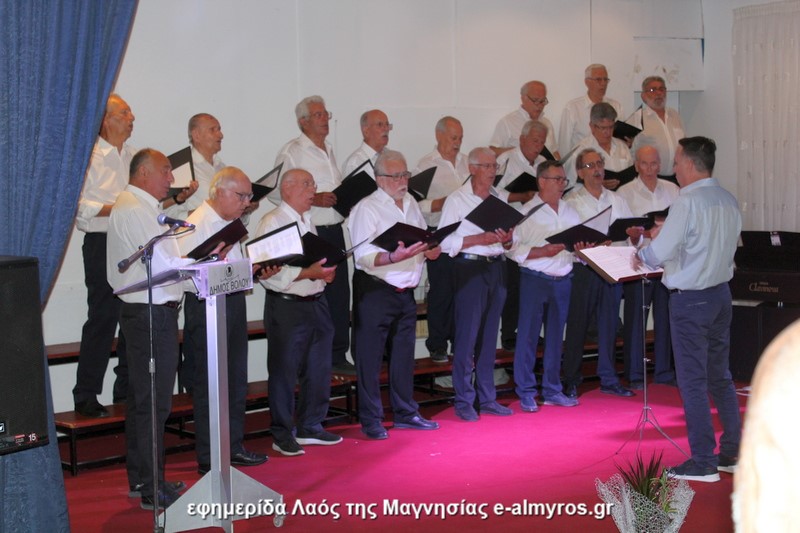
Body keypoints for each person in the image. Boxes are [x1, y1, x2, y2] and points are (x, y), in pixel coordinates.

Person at [635, 136, 742, 482]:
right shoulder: (727, 199)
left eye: (678, 161)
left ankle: (703, 461)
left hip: (691, 299)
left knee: (693, 380)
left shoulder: (687, 201)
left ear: (692, 164)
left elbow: (657, 254)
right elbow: (716, 244)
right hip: (720, 295)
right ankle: (731, 453)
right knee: (720, 377)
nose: (674, 167)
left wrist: (642, 250)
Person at [107, 148, 193, 510]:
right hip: (149, 313)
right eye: (165, 170)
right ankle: (150, 486)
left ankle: (144, 478)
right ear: (143, 172)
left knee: (146, 400)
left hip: (150, 313)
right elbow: (162, 264)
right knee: (153, 402)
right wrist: (198, 264)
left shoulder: (144, 207)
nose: (171, 178)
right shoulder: (135, 208)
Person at [178, 167, 270, 474]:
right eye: (241, 196)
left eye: (248, 196)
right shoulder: (196, 223)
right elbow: (184, 275)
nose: (246, 203)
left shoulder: (231, 223)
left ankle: (233, 446)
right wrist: (214, 264)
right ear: (219, 191)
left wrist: (251, 271)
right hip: (205, 305)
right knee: (209, 382)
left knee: (235, 377)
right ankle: (209, 455)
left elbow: (232, 265)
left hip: (232, 300)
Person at [348, 150, 442, 440]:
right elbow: (363, 256)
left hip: (406, 292)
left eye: (405, 174)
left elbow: (421, 241)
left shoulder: (411, 202)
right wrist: (392, 257)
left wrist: (429, 250)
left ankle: (405, 412)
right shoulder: (366, 208)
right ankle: (371, 419)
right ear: (379, 179)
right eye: (396, 176)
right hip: (376, 290)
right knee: (370, 358)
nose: (403, 180)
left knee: (403, 356)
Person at [256, 168, 343, 456]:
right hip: (287, 306)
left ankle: (311, 425)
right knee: (284, 372)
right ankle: (282, 433)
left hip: (316, 301)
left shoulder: (307, 220)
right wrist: (310, 273)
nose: (312, 190)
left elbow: (314, 263)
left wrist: (325, 273)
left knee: (318, 368)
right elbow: (268, 273)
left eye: (313, 184)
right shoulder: (272, 222)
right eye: (307, 184)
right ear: (287, 188)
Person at [270, 96, 352, 373]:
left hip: (335, 229)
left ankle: (338, 357)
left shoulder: (329, 149)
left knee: (339, 294)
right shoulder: (292, 151)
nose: (325, 119)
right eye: (318, 115)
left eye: (326, 113)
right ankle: (314, 362)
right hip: (311, 232)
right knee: (316, 296)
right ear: (303, 121)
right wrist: (315, 199)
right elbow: (276, 192)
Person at [439, 147, 514, 421]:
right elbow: (443, 241)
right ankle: (464, 400)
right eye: (487, 166)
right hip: (470, 268)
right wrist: (478, 239)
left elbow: (511, 241)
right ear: (471, 168)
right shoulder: (457, 200)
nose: (492, 171)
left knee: (489, 337)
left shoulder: (499, 197)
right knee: (467, 337)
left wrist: (508, 239)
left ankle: (488, 397)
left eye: (495, 166)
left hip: (497, 267)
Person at [73, 93, 135, 418]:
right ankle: (85, 395)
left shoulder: (134, 157)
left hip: (133, 242)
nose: (131, 117)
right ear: (106, 119)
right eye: (124, 112)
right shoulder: (90, 156)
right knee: (103, 317)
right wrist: (119, 207)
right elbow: (80, 209)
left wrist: (173, 197)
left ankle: (125, 390)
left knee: (133, 316)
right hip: (102, 242)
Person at [563, 148, 640, 399]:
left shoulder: (617, 200)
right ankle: (571, 380)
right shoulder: (571, 201)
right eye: (590, 166)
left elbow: (630, 237)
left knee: (609, 325)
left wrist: (634, 236)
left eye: (599, 164)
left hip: (611, 267)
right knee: (578, 325)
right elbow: (569, 240)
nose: (596, 170)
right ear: (579, 172)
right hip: (584, 269)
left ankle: (608, 378)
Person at [508, 160, 581, 411]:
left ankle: (552, 389)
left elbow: (577, 248)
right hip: (535, 279)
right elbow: (511, 249)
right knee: (528, 337)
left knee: (555, 338)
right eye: (557, 180)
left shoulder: (571, 211)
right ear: (541, 181)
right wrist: (541, 251)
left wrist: (583, 249)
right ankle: (526, 391)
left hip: (563, 279)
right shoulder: (526, 212)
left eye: (564, 180)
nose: (562, 185)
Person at [616, 145, 679, 389]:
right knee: (635, 321)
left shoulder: (673, 189)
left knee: (665, 319)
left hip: (666, 264)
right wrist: (637, 235)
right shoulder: (625, 192)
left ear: (660, 164)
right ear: (636, 165)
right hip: (638, 264)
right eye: (644, 163)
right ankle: (634, 374)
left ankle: (663, 371)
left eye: (654, 164)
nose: (650, 169)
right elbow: (621, 234)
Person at [413, 116, 469, 363]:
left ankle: (460, 342)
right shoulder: (426, 165)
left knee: (463, 294)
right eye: (453, 138)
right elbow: (415, 204)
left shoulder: (468, 163)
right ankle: (437, 345)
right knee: (441, 293)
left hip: (466, 235)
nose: (457, 143)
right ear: (439, 136)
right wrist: (441, 203)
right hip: (440, 233)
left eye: (460, 138)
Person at [495, 120, 549, 350]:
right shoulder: (506, 160)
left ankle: (531, 332)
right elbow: (492, 192)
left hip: (536, 230)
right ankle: (509, 334)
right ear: (522, 139)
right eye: (535, 140)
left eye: (542, 142)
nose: (538, 146)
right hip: (512, 230)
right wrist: (520, 196)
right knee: (513, 286)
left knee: (534, 286)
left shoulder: (544, 164)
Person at [626, 76, 685, 183]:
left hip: (677, 178)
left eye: (661, 89)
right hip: (650, 179)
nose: (658, 93)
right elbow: (626, 151)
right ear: (643, 96)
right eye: (653, 90)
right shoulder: (637, 118)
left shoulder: (674, 115)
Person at [565, 102, 633, 188]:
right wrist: (597, 185)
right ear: (592, 126)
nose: (608, 132)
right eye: (603, 128)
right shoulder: (579, 152)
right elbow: (570, 185)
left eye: (611, 127)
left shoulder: (622, 146)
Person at [559, 64, 623, 155]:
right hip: (583, 161)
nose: (603, 83)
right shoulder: (573, 108)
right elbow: (564, 145)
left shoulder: (616, 106)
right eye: (598, 79)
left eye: (605, 79)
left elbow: (620, 139)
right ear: (587, 82)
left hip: (611, 159)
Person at [490, 80, 560, 159]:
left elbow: (554, 152)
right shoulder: (507, 122)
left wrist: (559, 164)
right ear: (523, 98)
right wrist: (520, 151)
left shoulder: (547, 123)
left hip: (547, 166)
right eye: (535, 100)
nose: (540, 105)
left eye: (542, 101)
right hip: (519, 166)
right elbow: (493, 152)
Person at [341, 109, 392, 179]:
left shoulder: (391, 156)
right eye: (380, 125)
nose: (386, 129)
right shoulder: (355, 163)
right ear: (366, 131)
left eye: (387, 124)